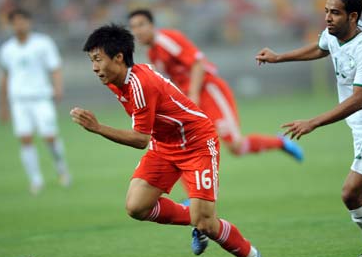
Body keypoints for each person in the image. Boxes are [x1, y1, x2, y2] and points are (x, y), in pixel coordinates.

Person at [70, 24, 262, 257]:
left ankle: (250, 256)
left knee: (206, 223)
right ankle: (193, 215)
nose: (94, 67)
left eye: (98, 59)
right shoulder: (115, 80)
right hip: (164, 145)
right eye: (91, 60)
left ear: (118, 58)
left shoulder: (140, 84)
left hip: (196, 143)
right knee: (137, 207)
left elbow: (140, 139)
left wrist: (97, 128)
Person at [256, 0, 362, 257]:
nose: (327, 18)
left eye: (334, 13)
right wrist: (279, 57)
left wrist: (313, 122)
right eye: (326, 11)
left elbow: (359, 99)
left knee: (351, 193)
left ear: (352, 17)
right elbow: (321, 46)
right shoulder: (336, 33)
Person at [128, 9, 303, 161]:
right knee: (180, 143)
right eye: (133, 27)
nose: (137, 31)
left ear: (152, 25)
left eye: (141, 24)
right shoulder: (152, 53)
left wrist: (194, 94)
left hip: (208, 90)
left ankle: (280, 142)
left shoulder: (167, 40)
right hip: (190, 99)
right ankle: (193, 197)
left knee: (235, 146)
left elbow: (198, 63)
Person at [0, 8, 70, 194]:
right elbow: (5, 76)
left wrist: (58, 87)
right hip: (19, 100)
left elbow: (55, 67)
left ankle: (61, 169)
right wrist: (4, 105)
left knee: (50, 137)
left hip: (41, 97)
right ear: (11, 25)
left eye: (22, 20)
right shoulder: (7, 49)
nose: (19, 25)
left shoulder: (43, 43)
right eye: (15, 21)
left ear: (29, 22)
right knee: (25, 138)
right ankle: (36, 180)